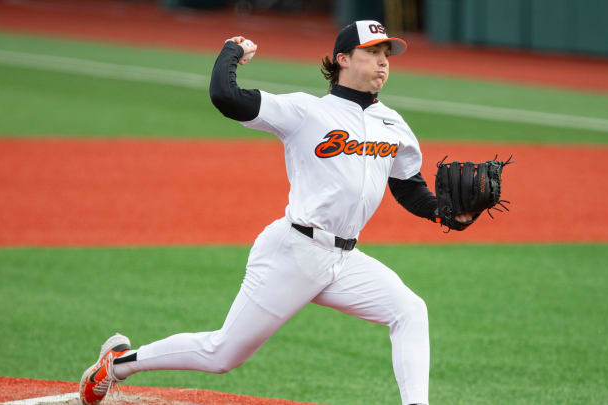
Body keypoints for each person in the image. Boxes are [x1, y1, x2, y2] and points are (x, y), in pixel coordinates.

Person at [78, 20, 474, 405]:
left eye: (386, 53)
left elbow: (407, 187)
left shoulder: (393, 124)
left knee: (409, 310)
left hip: (344, 260)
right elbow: (226, 97)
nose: (383, 61)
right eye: (371, 52)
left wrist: (445, 214)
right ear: (342, 59)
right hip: (294, 253)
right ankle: (117, 365)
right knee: (221, 355)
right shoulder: (306, 112)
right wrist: (232, 52)